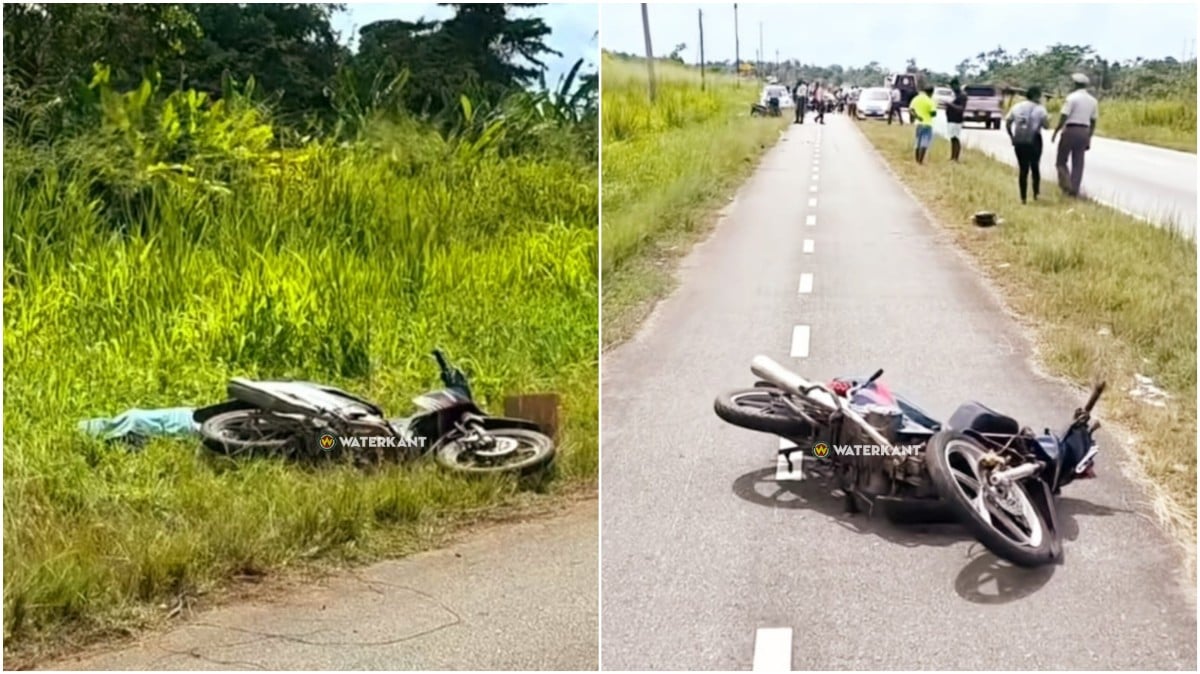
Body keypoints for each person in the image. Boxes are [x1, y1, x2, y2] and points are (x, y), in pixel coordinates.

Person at [1051, 73, 1098, 197]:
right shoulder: (1093, 101)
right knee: (1078, 162)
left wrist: (1056, 131)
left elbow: (1064, 116)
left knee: (1061, 161)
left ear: (1075, 84)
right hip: (1084, 131)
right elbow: (1093, 121)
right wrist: (1089, 137)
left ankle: (1066, 185)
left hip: (1071, 130)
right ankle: (1074, 189)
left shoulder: (1071, 98)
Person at [1005, 85, 1049, 203]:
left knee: (1023, 169)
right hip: (1034, 139)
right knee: (1035, 167)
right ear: (1036, 96)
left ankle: (1023, 197)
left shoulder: (1016, 106)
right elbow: (1046, 126)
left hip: (1019, 140)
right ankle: (1035, 194)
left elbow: (1008, 122)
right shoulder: (1040, 109)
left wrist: (1011, 136)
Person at [909, 86, 937, 164]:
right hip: (927, 124)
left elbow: (911, 110)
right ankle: (920, 161)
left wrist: (917, 116)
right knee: (924, 143)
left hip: (918, 123)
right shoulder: (930, 101)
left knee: (917, 141)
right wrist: (929, 112)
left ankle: (917, 160)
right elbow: (933, 114)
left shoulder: (916, 98)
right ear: (931, 92)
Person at [944, 78, 968, 161]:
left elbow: (961, 108)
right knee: (952, 138)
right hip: (951, 119)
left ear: (956, 85)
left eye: (952, 86)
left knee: (955, 138)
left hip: (956, 120)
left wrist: (949, 105)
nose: (951, 88)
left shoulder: (962, 95)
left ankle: (955, 158)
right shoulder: (955, 95)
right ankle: (952, 157)